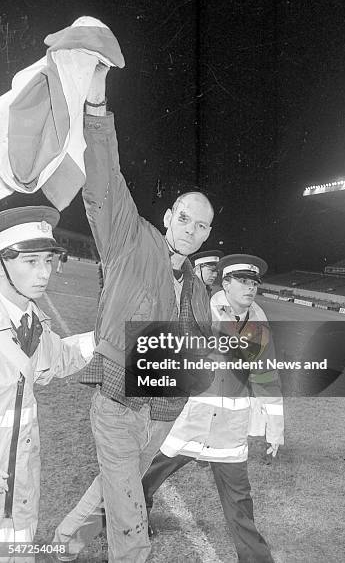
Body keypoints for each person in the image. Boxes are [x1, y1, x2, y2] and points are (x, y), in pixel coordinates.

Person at [53, 63, 214, 563]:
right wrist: (97, 106)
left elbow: (202, 348)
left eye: (201, 226)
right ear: (168, 218)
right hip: (115, 405)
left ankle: (61, 543)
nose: (190, 229)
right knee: (129, 513)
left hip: (150, 412)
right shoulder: (130, 239)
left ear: (207, 236)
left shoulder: (194, 286)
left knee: (110, 485)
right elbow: (103, 182)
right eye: (184, 218)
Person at [142, 254, 284, 563]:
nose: (251, 288)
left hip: (228, 431)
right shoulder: (202, 309)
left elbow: (267, 376)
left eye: (255, 283)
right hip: (188, 419)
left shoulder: (259, 324)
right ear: (227, 283)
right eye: (244, 281)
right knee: (146, 476)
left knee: (240, 503)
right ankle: (124, 520)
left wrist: (275, 430)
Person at [0, 206, 95, 563]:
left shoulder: (32, 320)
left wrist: (105, 336)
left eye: (49, 261)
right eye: (31, 261)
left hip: (20, 488)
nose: (44, 274)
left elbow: (60, 358)